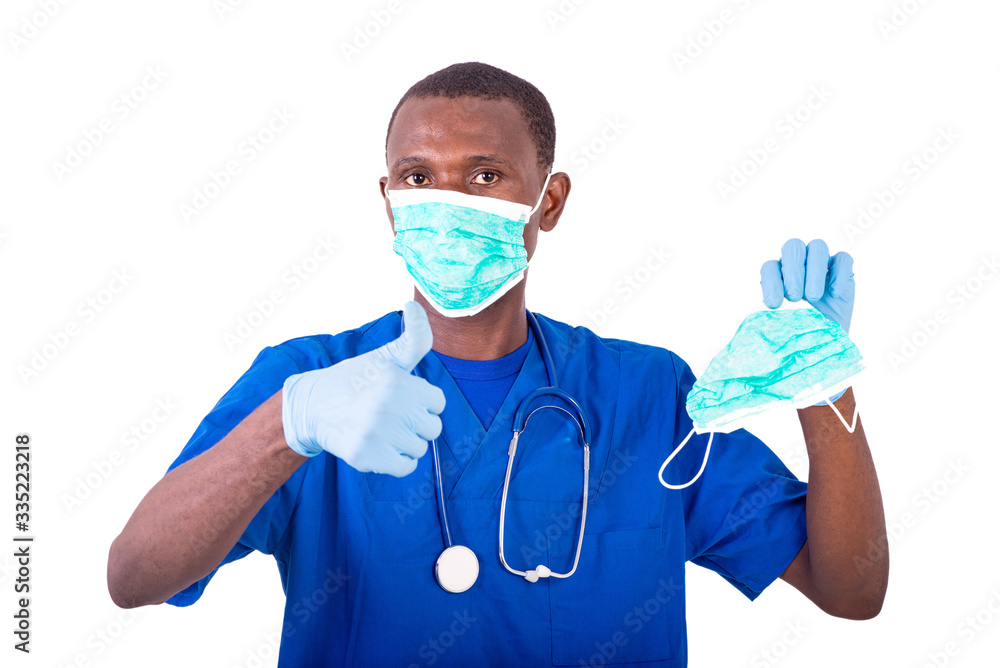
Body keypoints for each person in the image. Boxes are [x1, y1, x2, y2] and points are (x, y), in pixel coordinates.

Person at [107, 62, 888, 667]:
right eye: (418, 177)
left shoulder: (645, 395)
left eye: (485, 175)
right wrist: (288, 426)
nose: (446, 200)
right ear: (387, 199)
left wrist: (822, 388)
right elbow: (136, 577)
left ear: (548, 201)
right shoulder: (310, 380)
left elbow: (851, 589)